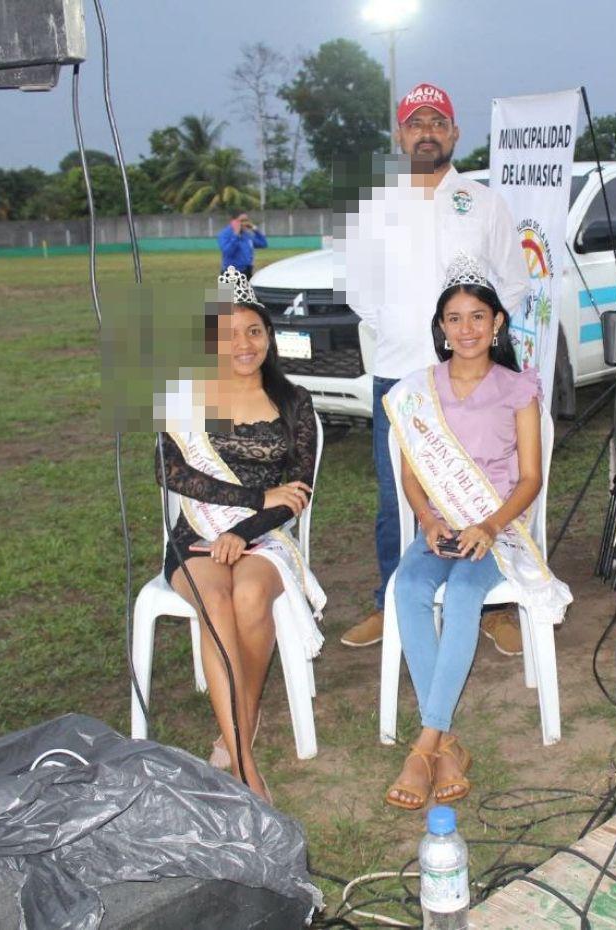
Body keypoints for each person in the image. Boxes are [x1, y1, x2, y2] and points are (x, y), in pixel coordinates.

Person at [339, 82, 529, 654]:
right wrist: (409, 331)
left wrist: (467, 344)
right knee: (394, 498)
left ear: (454, 133)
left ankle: (495, 604)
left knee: (486, 481)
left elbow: (513, 284)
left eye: (437, 122)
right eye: (415, 123)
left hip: (474, 378)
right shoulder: (372, 205)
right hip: (400, 373)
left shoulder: (484, 202)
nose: (427, 131)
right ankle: (393, 599)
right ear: (400, 135)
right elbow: (358, 290)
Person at [382, 256, 571, 810]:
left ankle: (424, 748)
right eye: (454, 318)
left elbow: (531, 477)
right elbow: (412, 474)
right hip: (440, 526)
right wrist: (430, 520)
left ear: (497, 324)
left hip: (497, 526)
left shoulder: (519, 388)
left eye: (477, 317)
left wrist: (488, 525)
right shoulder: (419, 390)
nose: (466, 329)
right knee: (409, 588)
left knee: (465, 594)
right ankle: (446, 744)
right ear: (441, 328)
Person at [155, 266, 325, 802]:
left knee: (250, 593)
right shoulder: (188, 397)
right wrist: (250, 501)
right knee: (216, 595)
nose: (243, 343)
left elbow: (299, 489)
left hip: (264, 536)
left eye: (253, 330)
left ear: (269, 337)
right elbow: (171, 472)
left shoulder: (294, 400)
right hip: (198, 536)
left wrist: (249, 529)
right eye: (228, 333)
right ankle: (246, 764)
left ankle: (235, 732)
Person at [218, 212, 268, 278]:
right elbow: (227, 252)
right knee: (226, 289)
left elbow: (263, 244)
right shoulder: (225, 234)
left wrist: (255, 229)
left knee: (247, 288)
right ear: (233, 222)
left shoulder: (246, 235)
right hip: (229, 272)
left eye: (246, 220)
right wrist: (236, 235)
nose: (245, 223)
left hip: (246, 272)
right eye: (242, 221)